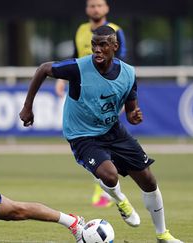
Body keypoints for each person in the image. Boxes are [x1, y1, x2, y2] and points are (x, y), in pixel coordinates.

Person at [19, 26, 183, 243]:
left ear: (114, 47)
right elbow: (43, 69)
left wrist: (134, 114)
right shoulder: (78, 68)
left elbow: (131, 106)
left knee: (149, 180)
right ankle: (120, 199)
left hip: (113, 130)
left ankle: (162, 235)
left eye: (103, 44)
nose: (97, 49)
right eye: (94, 44)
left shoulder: (128, 73)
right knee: (109, 174)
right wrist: (28, 106)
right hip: (82, 135)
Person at [56, 0, 127, 208]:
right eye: (92, 5)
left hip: (105, 94)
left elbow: (122, 63)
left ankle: (105, 188)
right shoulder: (80, 31)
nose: (95, 9)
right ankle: (104, 183)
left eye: (99, 5)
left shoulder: (116, 31)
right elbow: (75, 58)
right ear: (87, 9)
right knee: (87, 138)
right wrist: (62, 79)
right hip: (82, 94)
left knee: (106, 137)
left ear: (106, 9)